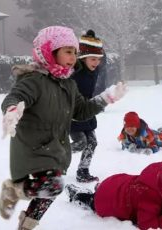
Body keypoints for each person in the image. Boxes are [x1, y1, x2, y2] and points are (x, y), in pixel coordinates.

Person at [0, 26, 127, 230]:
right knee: (54, 186)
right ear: (49, 51)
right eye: (68, 51)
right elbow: (15, 97)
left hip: (55, 148)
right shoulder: (34, 80)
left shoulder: (68, 84)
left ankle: (26, 225)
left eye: (75, 52)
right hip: (34, 148)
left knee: (52, 190)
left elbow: (81, 110)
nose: (73, 57)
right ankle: (14, 191)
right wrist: (12, 110)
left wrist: (105, 98)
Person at [65, 145, 162, 230]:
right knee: (93, 200)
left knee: (108, 191)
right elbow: (146, 225)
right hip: (107, 200)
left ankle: (98, 189)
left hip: (117, 184)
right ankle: (78, 195)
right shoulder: (150, 195)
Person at [70, 29, 105, 183]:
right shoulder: (74, 69)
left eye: (98, 59)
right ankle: (55, 157)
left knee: (92, 142)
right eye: (92, 59)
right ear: (83, 58)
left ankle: (82, 171)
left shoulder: (95, 69)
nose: (96, 62)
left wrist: (91, 39)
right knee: (80, 143)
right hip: (72, 113)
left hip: (87, 110)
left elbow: (103, 58)